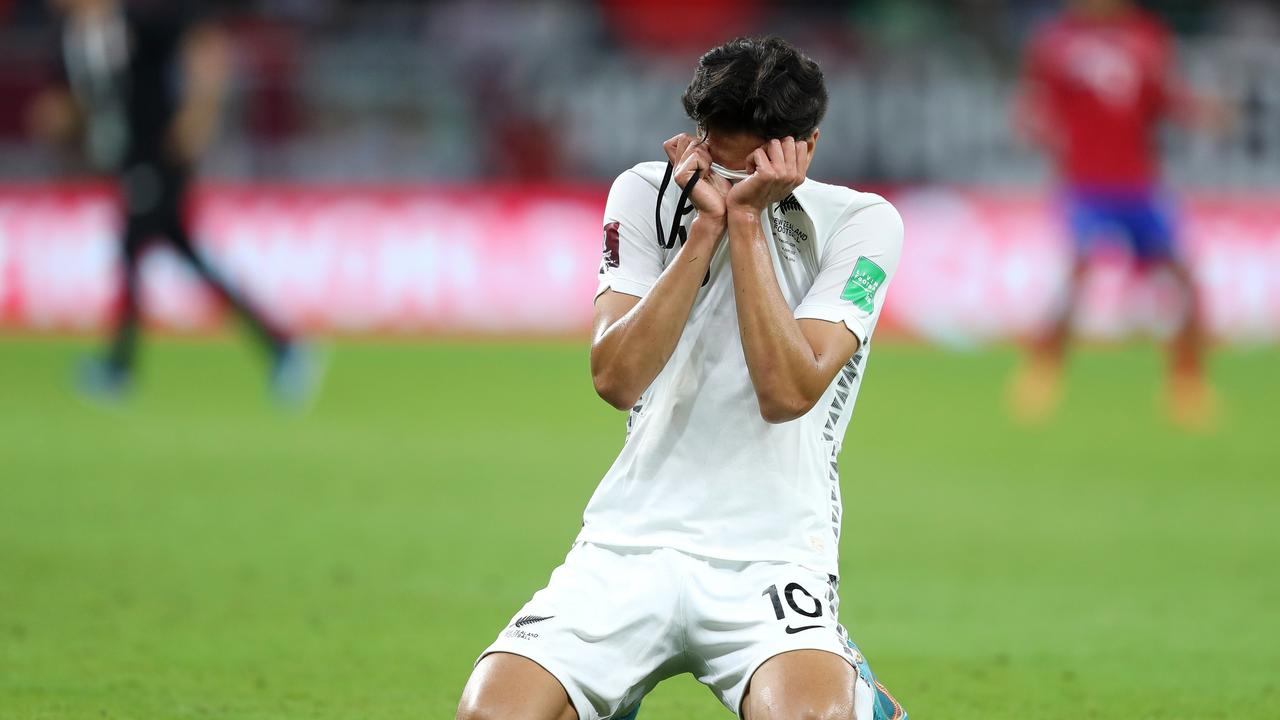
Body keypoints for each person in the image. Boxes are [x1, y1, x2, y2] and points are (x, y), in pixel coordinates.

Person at [457, 37, 907, 720]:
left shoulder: (861, 223)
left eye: (742, 172)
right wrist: (704, 232)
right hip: (627, 544)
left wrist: (748, 223)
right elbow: (615, 377)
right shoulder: (645, 193)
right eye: (710, 154)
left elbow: (788, 392)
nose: (717, 181)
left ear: (804, 147)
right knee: (492, 715)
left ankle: (857, 692)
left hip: (773, 555)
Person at [30, 0, 312, 402]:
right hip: (125, 163)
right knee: (187, 256)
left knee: (131, 246)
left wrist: (201, 113)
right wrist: (59, 117)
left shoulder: (138, 25)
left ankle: (118, 368)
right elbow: (81, 102)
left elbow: (207, 44)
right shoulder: (66, 42)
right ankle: (281, 346)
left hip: (162, 158)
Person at [1009, 0, 1229, 429]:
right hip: (1085, 183)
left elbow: (1163, 99)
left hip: (1139, 183)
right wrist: (1033, 125)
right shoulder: (1056, 40)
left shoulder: (1148, 34)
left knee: (1182, 276)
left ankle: (1187, 382)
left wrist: (1199, 112)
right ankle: (1043, 370)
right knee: (1079, 271)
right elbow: (1037, 103)